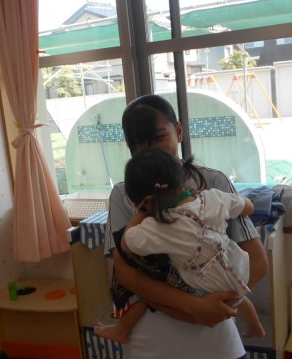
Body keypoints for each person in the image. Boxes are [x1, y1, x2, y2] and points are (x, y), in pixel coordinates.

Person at [104, 94, 269, 359]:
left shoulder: (213, 183)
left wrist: (220, 306)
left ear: (179, 131)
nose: (148, 150)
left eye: (157, 138)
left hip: (215, 334)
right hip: (150, 340)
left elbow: (258, 262)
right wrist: (193, 307)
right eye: (138, 144)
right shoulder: (125, 192)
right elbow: (126, 274)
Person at [95, 147, 265, 344]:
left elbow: (125, 244)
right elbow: (248, 207)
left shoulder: (158, 226)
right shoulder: (213, 197)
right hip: (238, 274)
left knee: (149, 298)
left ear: (147, 201)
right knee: (240, 297)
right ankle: (256, 326)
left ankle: (122, 329)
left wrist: (141, 213)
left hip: (204, 286)